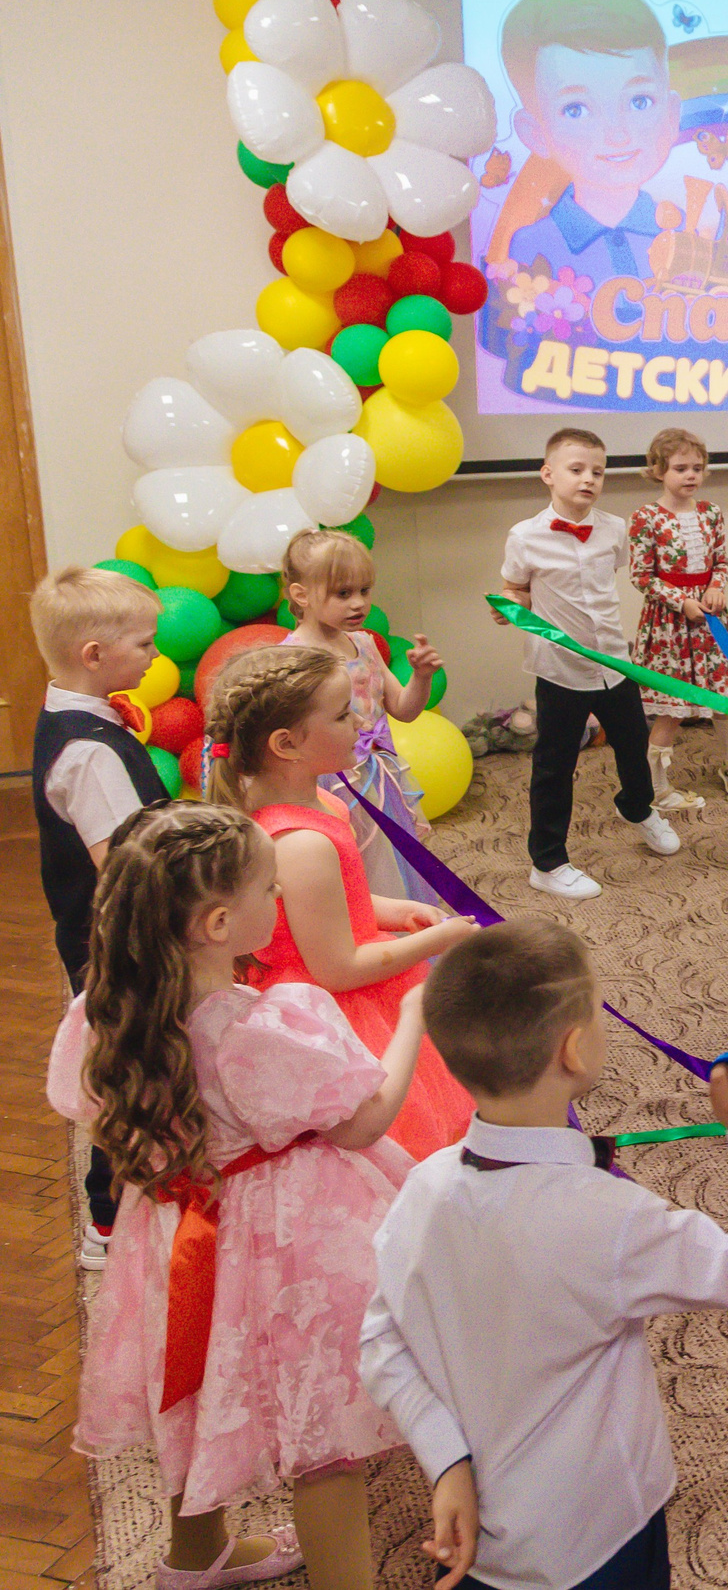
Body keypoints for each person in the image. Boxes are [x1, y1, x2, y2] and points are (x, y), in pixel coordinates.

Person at [363, 921, 728, 1590]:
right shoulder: (608, 1218)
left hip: (491, 1549)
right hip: (601, 1540)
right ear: (574, 1049)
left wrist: (445, 1457)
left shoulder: (421, 1186)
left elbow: (380, 1340)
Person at [48, 803, 425, 1590]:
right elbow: (363, 1121)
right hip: (280, 1238)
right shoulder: (260, 1030)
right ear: (219, 922)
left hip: (176, 1230)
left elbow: (87, 1108)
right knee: (325, 1435)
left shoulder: (104, 1014)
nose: (279, 902)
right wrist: (415, 1017)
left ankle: (195, 1558)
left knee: (190, 1386)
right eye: (269, 889)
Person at [208, 646, 481, 1161]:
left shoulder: (324, 801)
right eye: (340, 714)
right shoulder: (298, 843)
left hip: (353, 978)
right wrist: (436, 940)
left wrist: (392, 912)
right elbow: (337, 968)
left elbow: (340, 899)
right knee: (392, 1139)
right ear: (287, 744)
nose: (359, 720)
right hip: (340, 1008)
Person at [28, 565, 169, 1267]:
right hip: (114, 942)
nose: (153, 655)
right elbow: (125, 867)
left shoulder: (75, 718)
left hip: (103, 934)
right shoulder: (89, 755)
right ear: (95, 655)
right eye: (143, 644)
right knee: (128, 1075)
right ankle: (107, 1221)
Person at [496, 427, 682, 900]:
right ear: (548, 474)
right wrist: (507, 605)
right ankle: (548, 862)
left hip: (614, 663)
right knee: (555, 765)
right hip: (559, 670)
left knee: (633, 744)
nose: (588, 479)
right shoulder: (524, 537)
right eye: (576, 470)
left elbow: (615, 579)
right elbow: (514, 589)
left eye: (597, 471)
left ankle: (637, 808)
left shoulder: (615, 530)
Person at [280, 527, 444, 902]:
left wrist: (420, 676)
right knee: (353, 871)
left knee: (393, 866)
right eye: (342, 593)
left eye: (364, 591)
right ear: (301, 595)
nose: (358, 604)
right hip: (328, 785)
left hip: (378, 777)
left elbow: (403, 710)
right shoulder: (292, 657)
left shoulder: (364, 643)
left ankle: (405, 941)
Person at [496, 0, 679, 283]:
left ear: (672, 115)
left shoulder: (683, 230)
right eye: (576, 110)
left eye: (639, 101)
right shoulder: (531, 246)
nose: (617, 134)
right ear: (535, 135)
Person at [627, 428, 728, 808]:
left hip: (711, 620)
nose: (691, 475)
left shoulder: (711, 513)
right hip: (670, 627)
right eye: (680, 468)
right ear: (658, 470)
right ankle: (657, 786)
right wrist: (681, 602)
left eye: (697, 467)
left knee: (722, 694)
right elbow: (641, 576)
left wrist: (717, 587)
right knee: (673, 706)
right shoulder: (645, 518)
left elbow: (722, 561)